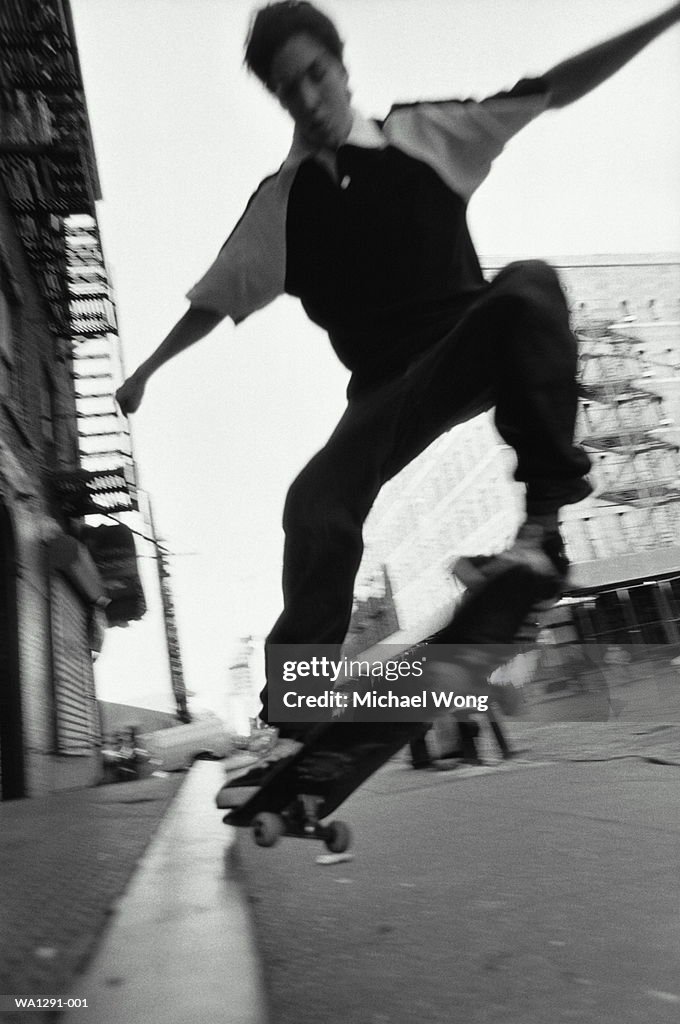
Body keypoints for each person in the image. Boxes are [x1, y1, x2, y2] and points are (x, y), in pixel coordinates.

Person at [116, 1, 680, 786]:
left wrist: (665, 19)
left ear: (342, 68)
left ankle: (538, 533)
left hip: (467, 343)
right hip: (386, 391)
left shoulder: (426, 133)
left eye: (317, 76)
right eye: (288, 91)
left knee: (529, 286)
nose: (309, 101)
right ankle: (297, 716)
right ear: (277, 100)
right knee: (314, 504)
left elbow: (551, 89)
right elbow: (211, 301)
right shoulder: (280, 205)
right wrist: (146, 371)